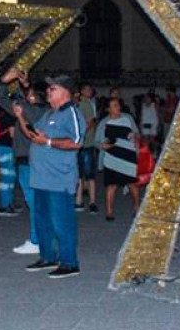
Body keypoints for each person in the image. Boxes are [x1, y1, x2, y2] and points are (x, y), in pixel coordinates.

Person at [12, 75, 85, 278]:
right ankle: (48, 257)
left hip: (59, 179)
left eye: (53, 88)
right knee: (42, 220)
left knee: (62, 222)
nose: (49, 91)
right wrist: (20, 117)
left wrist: (50, 142)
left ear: (65, 92)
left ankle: (70, 263)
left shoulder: (71, 113)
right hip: (40, 179)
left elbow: (77, 142)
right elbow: (34, 136)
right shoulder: (48, 114)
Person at [0, 69, 45, 254]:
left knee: (32, 201)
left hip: (27, 160)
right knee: (39, 201)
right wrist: (25, 84)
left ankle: (35, 240)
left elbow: (2, 100)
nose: (28, 95)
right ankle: (43, 237)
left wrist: (4, 82)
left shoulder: (27, 110)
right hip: (41, 160)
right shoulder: (47, 111)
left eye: (30, 94)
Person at [95, 97, 140, 221]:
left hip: (128, 156)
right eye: (114, 105)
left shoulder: (127, 118)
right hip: (111, 157)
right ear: (108, 109)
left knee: (132, 184)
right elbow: (97, 141)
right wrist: (102, 145)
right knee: (111, 185)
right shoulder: (104, 122)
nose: (118, 107)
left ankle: (137, 207)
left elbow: (136, 133)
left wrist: (134, 136)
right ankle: (109, 211)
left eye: (118, 105)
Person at [74, 83, 98, 213]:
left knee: (82, 173)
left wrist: (79, 136)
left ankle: (80, 201)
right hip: (85, 142)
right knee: (87, 174)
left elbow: (90, 122)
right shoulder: (85, 103)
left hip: (84, 142)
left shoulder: (84, 102)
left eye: (90, 89)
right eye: (87, 89)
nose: (90, 91)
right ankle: (90, 202)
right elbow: (89, 122)